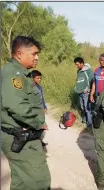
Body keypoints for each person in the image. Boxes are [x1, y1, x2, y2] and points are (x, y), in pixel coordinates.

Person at [1, 36, 51, 190]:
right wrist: (38, 123)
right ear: (19, 54)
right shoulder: (14, 75)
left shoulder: (19, 73)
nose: (37, 57)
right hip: (21, 137)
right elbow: (17, 106)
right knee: (40, 182)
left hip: (16, 135)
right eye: (34, 53)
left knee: (22, 181)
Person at [74, 57, 94, 128]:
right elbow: (78, 81)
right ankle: (84, 120)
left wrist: (89, 90)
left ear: (82, 63)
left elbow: (93, 81)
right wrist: (77, 88)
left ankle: (90, 124)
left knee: (87, 108)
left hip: (86, 93)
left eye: (77, 64)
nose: (76, 66)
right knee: (82, 107)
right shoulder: (78, 71)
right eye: (75, 65)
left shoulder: (89, 71)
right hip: (80, 92)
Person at [31, 69, 49, 146]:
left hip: (40, 110)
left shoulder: (39, 87)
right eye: (37, 78)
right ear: (32, 78)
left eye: (40, 78)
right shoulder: (30, 88)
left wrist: (44, 107)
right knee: (36, 127)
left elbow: (42, 98)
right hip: (34, 111)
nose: (39, 79)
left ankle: (39, 141)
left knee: (42, 127)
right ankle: (35, 143)